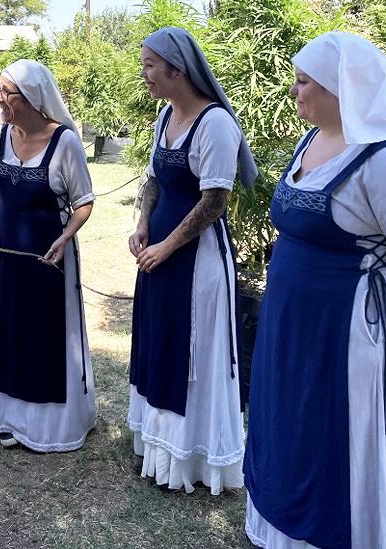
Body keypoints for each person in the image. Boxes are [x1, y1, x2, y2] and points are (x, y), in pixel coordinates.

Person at [243, 31, 386, 548]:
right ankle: (283, 526)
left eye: (303, 81)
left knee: (334, 433)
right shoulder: (312, 141)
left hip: (352, 331)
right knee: (291, 423)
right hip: (293, 321)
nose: (293, 91)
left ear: (341, 87)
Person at [128, 27, 259, 494]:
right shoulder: (165, 117)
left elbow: (214, 202)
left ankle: (193, 454)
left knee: (192, 349)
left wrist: (168, 246)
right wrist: (143, 225)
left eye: (148, 66)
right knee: (159, 338)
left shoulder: (215, 125)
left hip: (196, 259)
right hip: (158, 252)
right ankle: (157, 442)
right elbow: (153, 181)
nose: (144, 74)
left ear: (176, 69)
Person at [0, 59, 97, 452]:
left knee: (41, 337)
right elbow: (1, 189)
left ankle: (42, 426)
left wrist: (65, 238)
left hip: (47, 260)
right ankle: (3, 415)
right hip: (7, 257)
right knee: (5, 329)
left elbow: (84, 202)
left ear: (31, 98)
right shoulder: (3, 133)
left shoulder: (65, 143)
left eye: (6, 93)